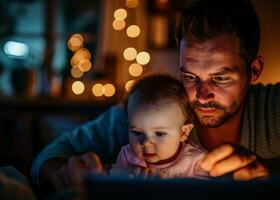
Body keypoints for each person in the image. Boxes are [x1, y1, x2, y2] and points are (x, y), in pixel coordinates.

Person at [31, 0, 280, 193]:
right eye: (190, 77)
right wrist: (61, 173)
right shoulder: (151, 112)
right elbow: (49, 155)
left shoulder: (274, 108)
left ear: (254, 70)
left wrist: (269, 172)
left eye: (221, 78)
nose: (201, 96)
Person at [110, 74, 208, 179]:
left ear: (183, 133)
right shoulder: (128, 157)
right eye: (137, 132)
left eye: (159, 133)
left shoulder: (197, 162)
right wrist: (121, 174)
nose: (146, 142)